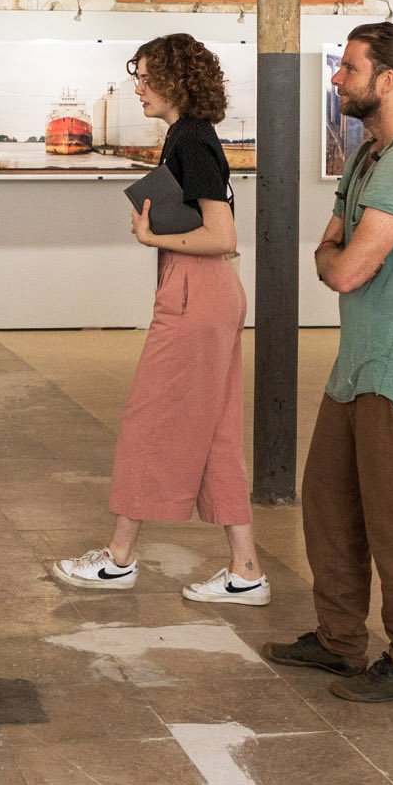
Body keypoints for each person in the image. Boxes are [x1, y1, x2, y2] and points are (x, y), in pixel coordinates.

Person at [265, 21, 393, 703]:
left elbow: (345, 266)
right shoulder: (367, 159)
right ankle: (339, 639)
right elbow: (329, 247)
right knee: (330, 506)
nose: (336, 79)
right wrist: (331, 257)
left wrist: (332, 260)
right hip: (358, 368)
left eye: (347, 69)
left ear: (386, 80)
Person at [55, 33, 265, 605]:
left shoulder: (192, 139)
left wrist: (150, 234)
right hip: (211, 293)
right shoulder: (190, 135)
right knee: (219, 433)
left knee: (150, 420)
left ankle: (120, 560)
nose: (138, 86)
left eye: (146, 76)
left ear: (176, 80)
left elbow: (222, 236)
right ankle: (246, 570)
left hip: (197, 293)